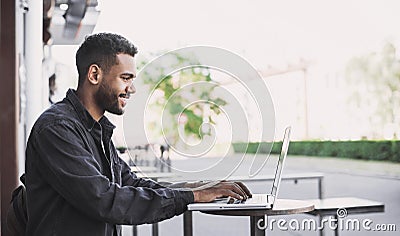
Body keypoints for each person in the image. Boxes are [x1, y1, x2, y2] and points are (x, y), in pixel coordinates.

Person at [25, 32, 251, 236]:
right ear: (94, 74)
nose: (131, 89)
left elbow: (130, 183)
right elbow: (105, 199)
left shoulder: (95, 129)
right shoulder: (57, 129)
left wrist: (195, 188)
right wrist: (193, 197)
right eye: (125, 78)